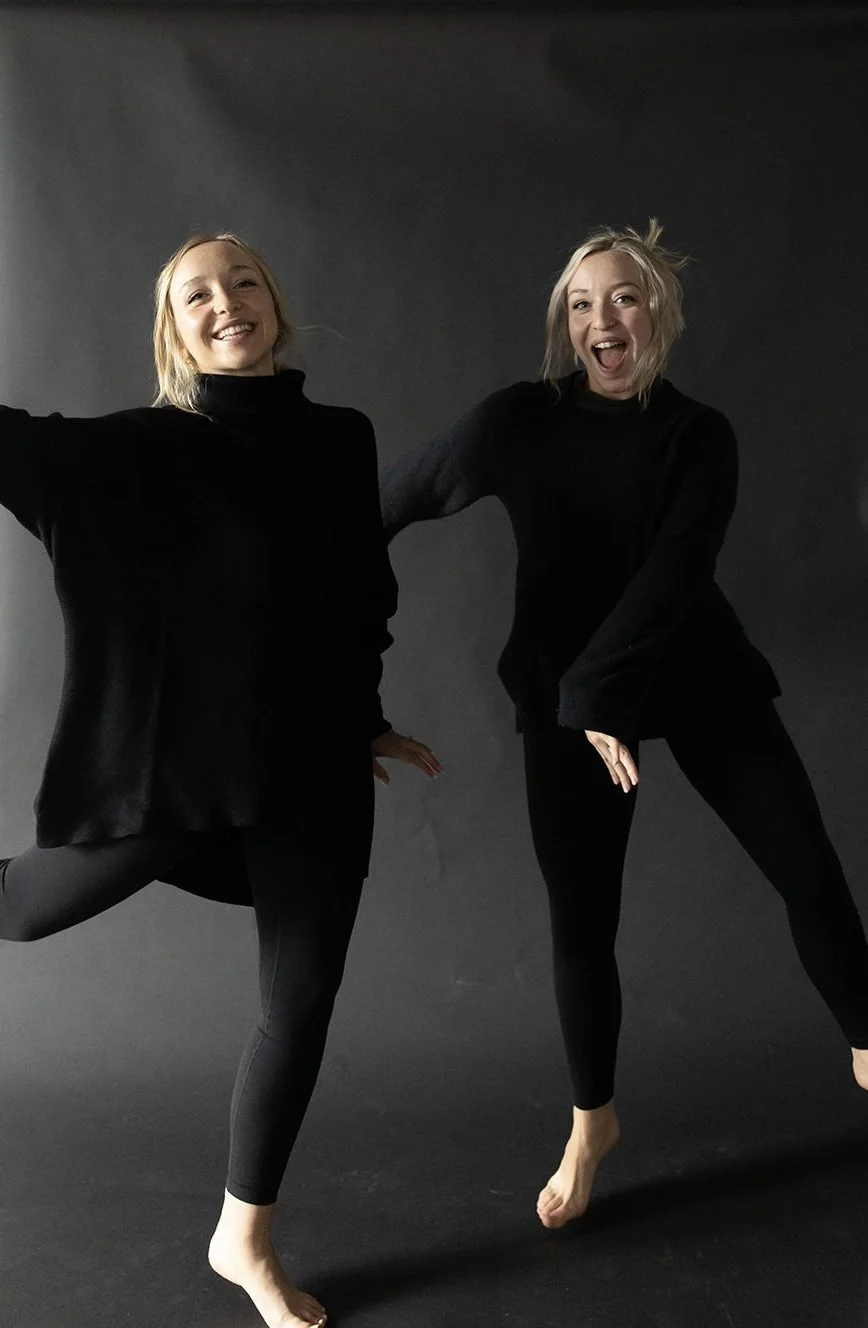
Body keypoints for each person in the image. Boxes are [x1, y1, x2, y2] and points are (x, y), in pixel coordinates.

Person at [379, 219, 868, 1231]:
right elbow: (396, 496)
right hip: (563, 695)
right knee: (582, 922)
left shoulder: (698, 435)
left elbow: (671, 575)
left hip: (692, 668)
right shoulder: (520, 420)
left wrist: (606, 694)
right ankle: (592, 1120)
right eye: (584, 303)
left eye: (625, 297)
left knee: (806, 863)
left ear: (658, 315)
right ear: (566, 322)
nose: (604, 317)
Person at [0, 231, 440, 1328]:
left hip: (315, 767)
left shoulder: (342, 438)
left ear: (276, 305)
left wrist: (370, 721)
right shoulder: (139, 448)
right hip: (180, 775)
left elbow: (357, 590)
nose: (226, 300)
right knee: (20, 909)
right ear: (173, 329)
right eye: (197, 292)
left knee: (300, 1001)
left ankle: (241, 1233)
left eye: (243, 280)